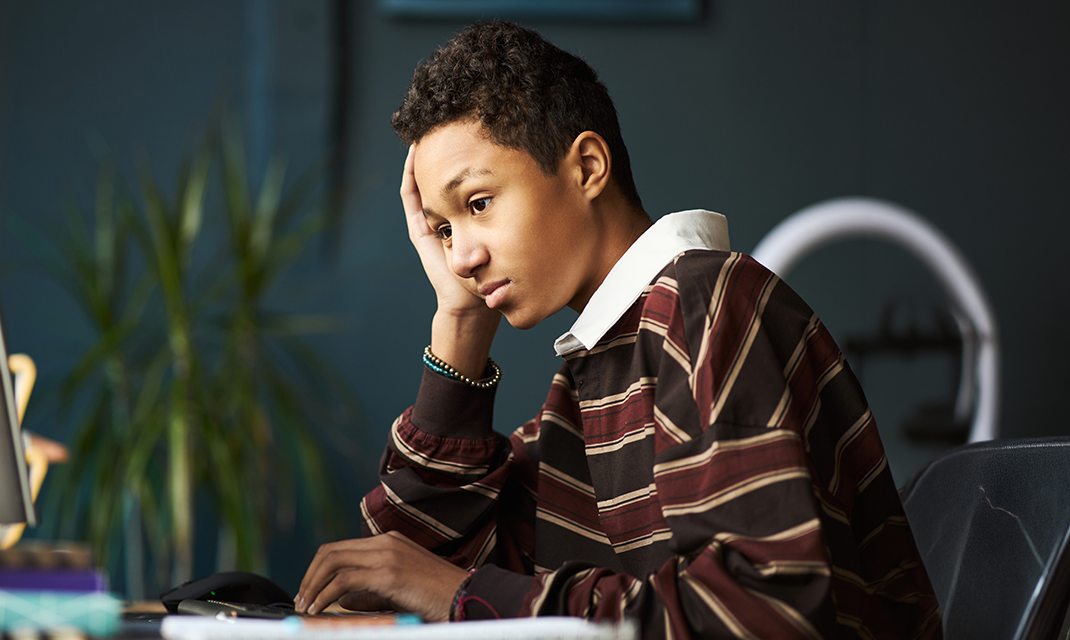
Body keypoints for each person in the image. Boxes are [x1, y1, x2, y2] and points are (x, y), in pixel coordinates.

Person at [294, 21, 942, 639]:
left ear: (587, 167)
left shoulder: (705, 306)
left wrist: (463, 596)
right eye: (443, 229)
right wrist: (461, 321)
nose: (461, 256)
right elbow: (406, 568)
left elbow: (757, 616)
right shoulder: (598, 368)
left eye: (479, 204)